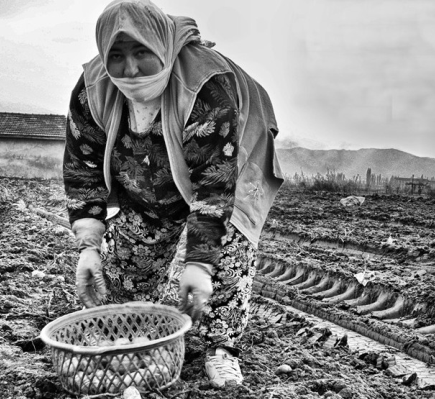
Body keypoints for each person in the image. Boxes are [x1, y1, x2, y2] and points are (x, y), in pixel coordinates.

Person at [63, 0, 283, 388]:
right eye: (116, 55)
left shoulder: (206, 87)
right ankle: (128, 330)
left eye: (142, 53)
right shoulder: (92, 90)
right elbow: (82, 167)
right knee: (132, 258)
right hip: (148, 172)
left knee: (227, 247)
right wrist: (88, 247)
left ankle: (221, 347)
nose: (130, 69)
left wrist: (198, 264)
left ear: (162, 48)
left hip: (231, 160)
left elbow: (214, 187)